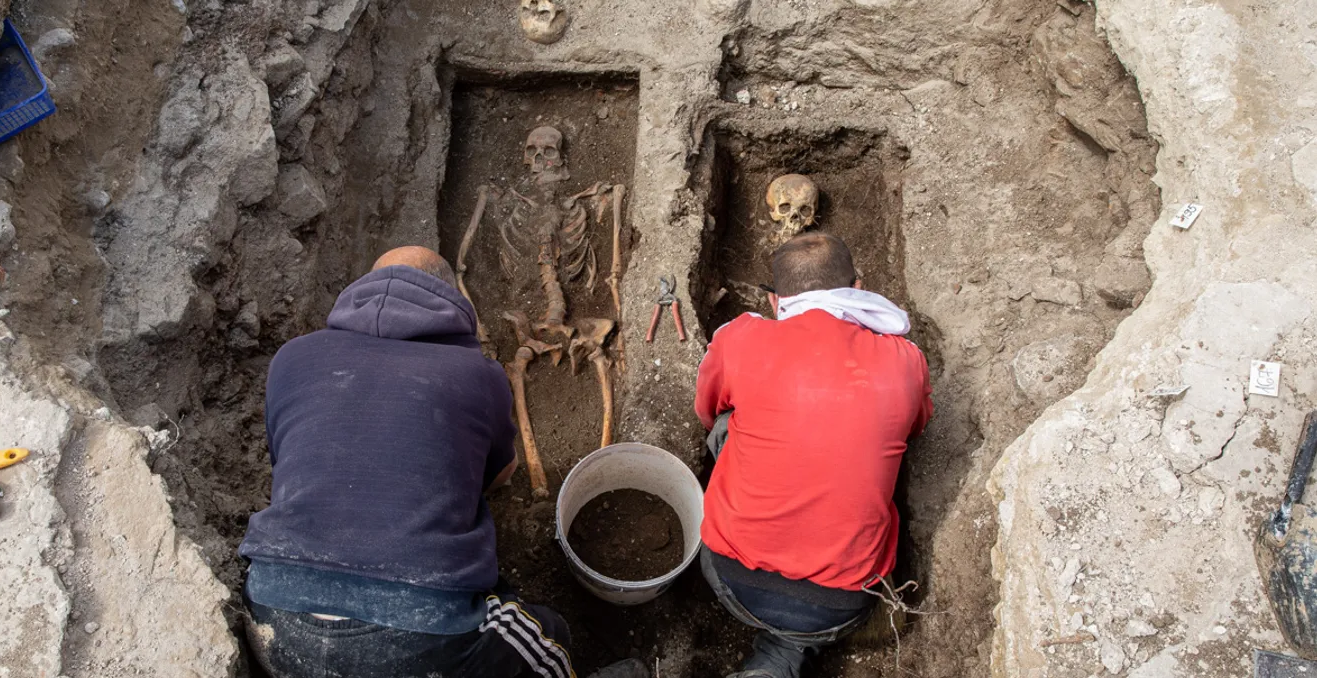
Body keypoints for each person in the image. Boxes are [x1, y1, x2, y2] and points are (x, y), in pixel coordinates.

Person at [238, 246, 644, 678]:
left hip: (275, 619)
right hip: (417, 634)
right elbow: (502, 473)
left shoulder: (291, 357)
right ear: (452, 298)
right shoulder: (477, 373)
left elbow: (285, 463)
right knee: (550, 639)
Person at [693, 233, 933, 678]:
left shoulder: (738, 339)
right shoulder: (906, 360)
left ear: (774, 300)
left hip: (728, 576)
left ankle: (782, 651)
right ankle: (787, 650)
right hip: (842, 603)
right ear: (858, 288)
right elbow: (916, 427)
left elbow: (707, 414)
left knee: (729, 422)